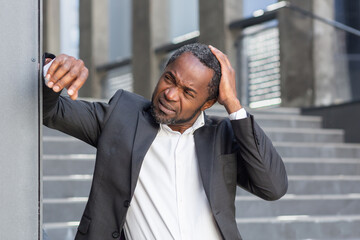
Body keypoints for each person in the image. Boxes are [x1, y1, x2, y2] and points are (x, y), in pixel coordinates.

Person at [43, 43, 288, 240]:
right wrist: (52, 72)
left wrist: (233, 103)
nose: (170, 94)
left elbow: (273, 187)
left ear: (207, 104)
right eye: (169, 79)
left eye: (187, 92)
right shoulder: (121, 118)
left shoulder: (222, 136)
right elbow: (50, 111)